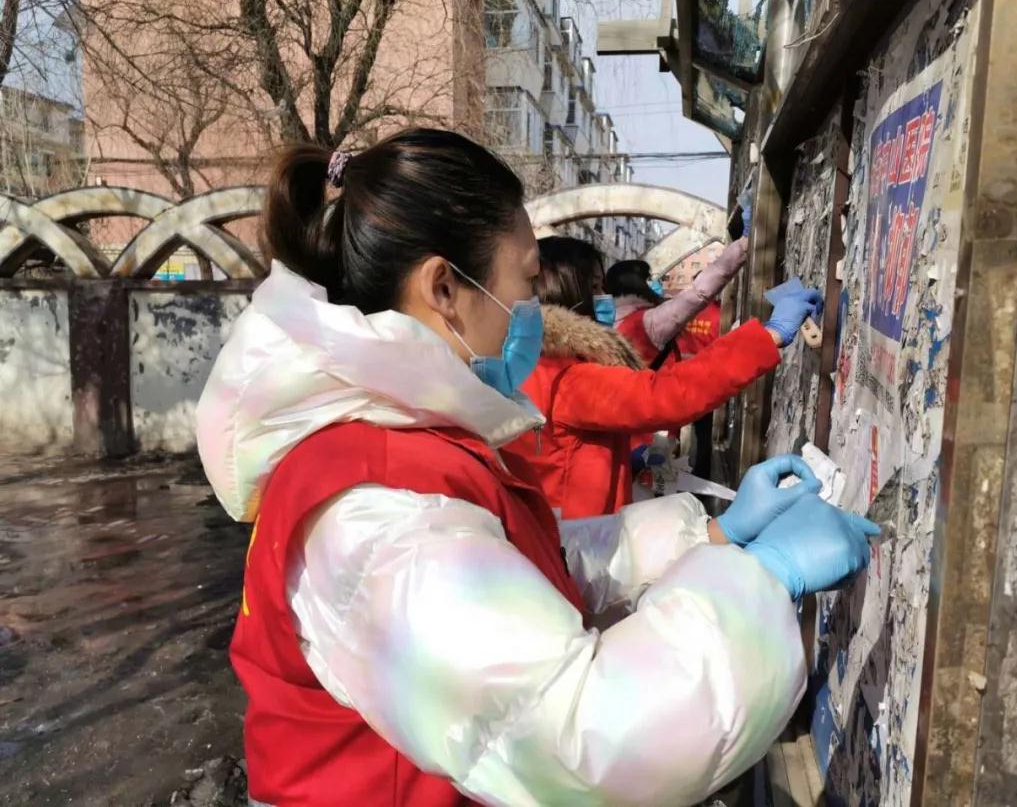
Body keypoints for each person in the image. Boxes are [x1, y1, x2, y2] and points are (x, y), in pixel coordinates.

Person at [196, 128, 876, 807]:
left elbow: (527, 562)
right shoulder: (376, 508)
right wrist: (758, 580)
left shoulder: (401, 445)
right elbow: (583, 739)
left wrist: (711, 538)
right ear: (443, 288)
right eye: (524, 283)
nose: (532, 316)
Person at [507, 236, 821, 519]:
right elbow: (667, 393)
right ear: (568, 289)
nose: (604, 297)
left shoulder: (530, 360)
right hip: (581, 543)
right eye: (595, 287)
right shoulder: (568, 377)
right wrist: (769, 336)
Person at [605, 245, 745, 367]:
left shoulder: (618, 322)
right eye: (649, 279)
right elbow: (697, 293)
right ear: (639, 284)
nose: (654, 283)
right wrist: (741, 246)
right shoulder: (648, 321)